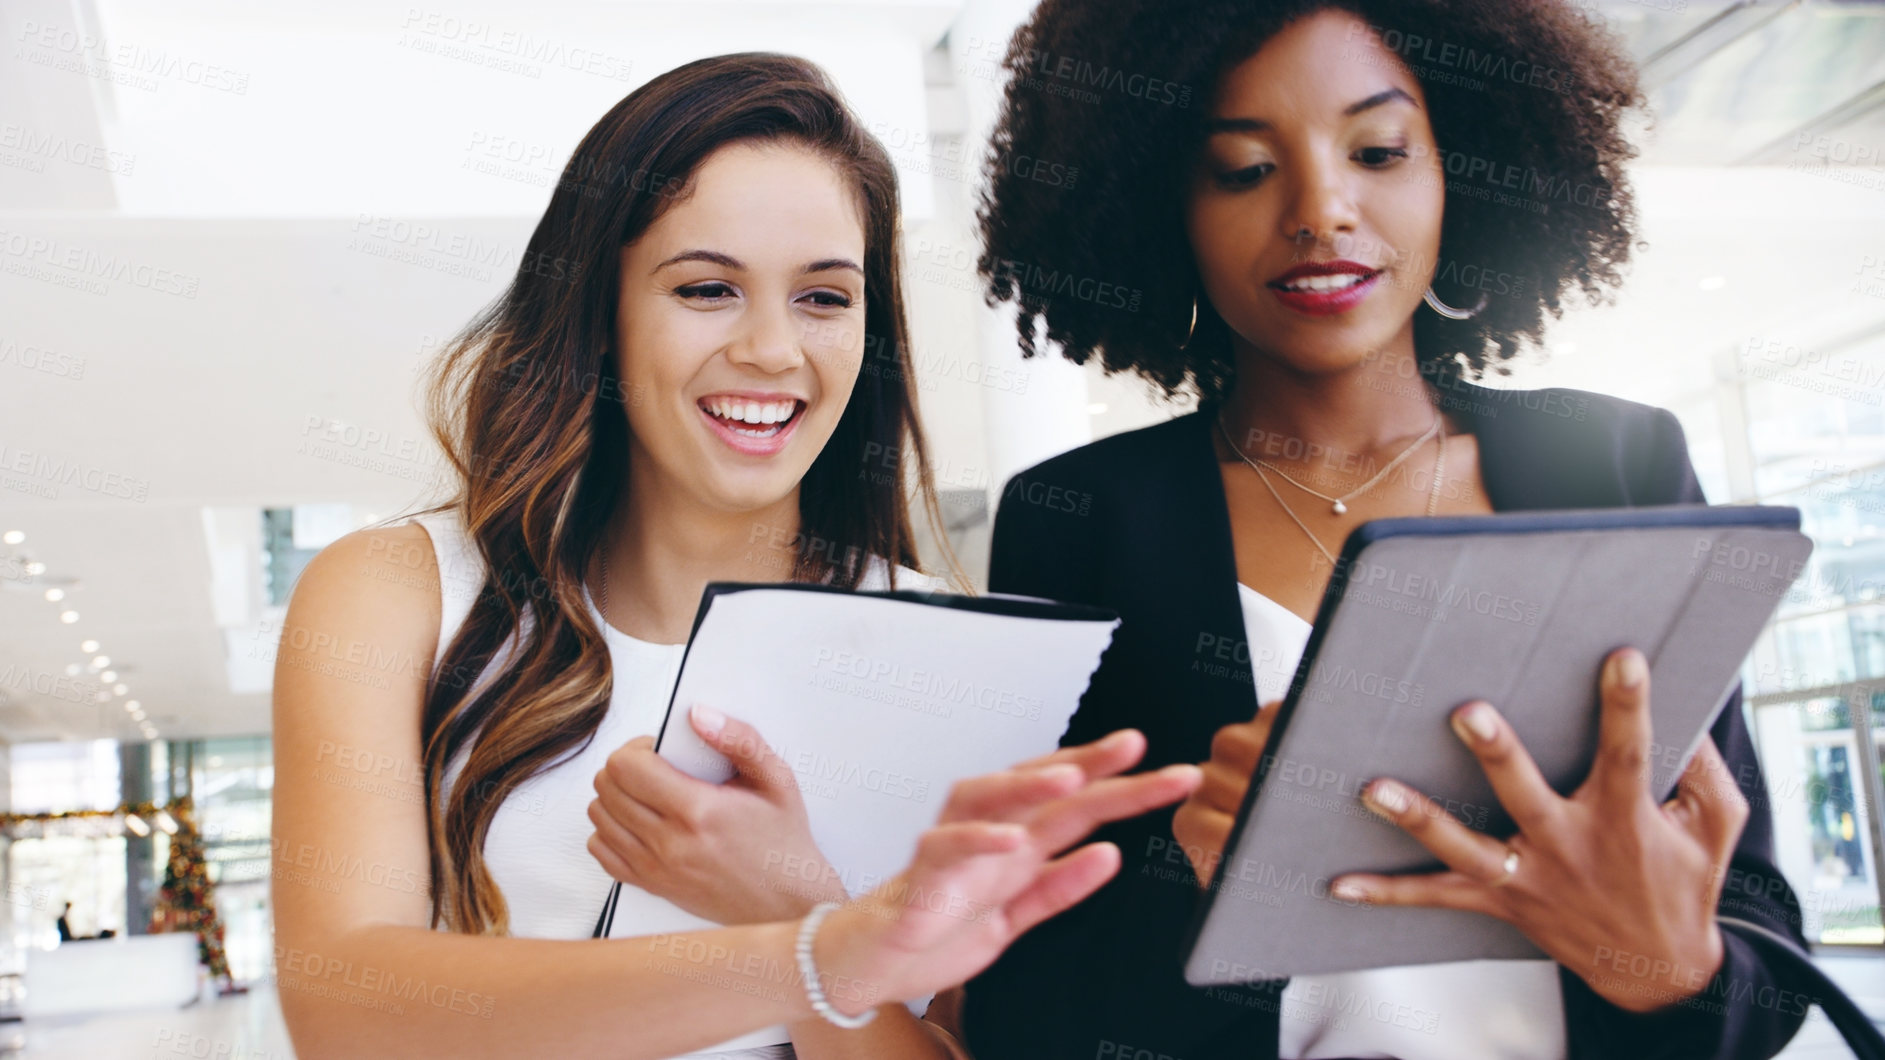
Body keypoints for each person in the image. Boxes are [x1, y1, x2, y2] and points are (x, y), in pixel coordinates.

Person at [270, 53, 1200, 1060]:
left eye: (824, 298)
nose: (770, 349)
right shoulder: (400, 596)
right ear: (598, 312)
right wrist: (819, 952)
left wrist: (791, 904)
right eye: (707, 288)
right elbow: (343, 1004)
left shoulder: (943, 642)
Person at [954, 3, 1810, 1059]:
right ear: (1155, 206)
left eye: (1378, 150)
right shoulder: (1077, 519)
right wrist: (1193, 888)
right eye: (1240, 168)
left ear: (1463, 168)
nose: (1321, 209)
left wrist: (1669, 964)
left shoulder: (1618, 465)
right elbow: (1023, 1010)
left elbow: (1763, 965)